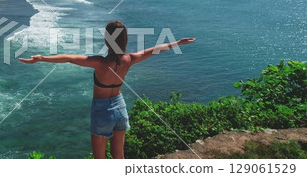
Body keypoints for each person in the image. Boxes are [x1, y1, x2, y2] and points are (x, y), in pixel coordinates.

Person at [19, 21, 195, 158]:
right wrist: (177, 43)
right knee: (119, 157)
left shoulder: (99, 62)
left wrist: (41, 58)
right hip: (120, 107)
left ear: (107, 40)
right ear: (124, 40)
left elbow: (68, 58)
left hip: (102, 110)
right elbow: (153, 50)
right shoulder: (129, 59)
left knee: (100, 160)